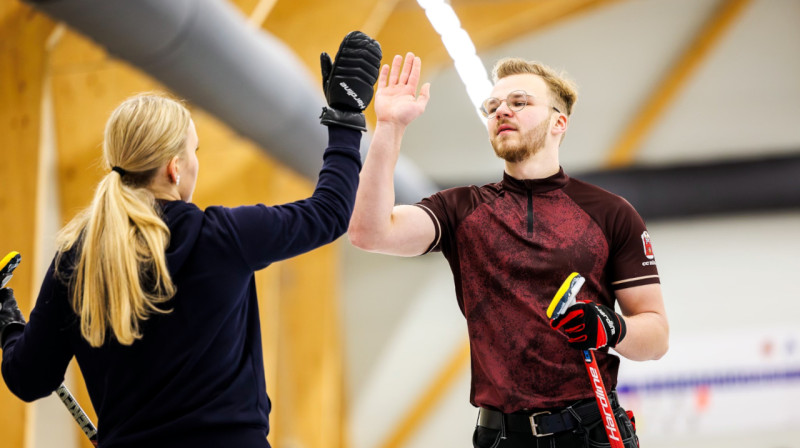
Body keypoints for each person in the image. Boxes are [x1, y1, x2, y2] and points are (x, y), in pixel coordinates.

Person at [0, 31, 381, 448]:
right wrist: (345, 117)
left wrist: (8, 322)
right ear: (174, 169)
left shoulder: (77, 261)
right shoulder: (222, 237)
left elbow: (28, 378)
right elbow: (329, 212)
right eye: (195, 150)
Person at [348, 53, 669, 447]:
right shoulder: (462, 209)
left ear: (558, 122)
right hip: (500, 437)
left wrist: (611, 326)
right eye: (493, 106)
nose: (501, 111)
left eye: (519, 102)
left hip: (590, 432)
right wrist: (390, 126)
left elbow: (656, 336)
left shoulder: (610, 213)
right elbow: (370, 232)